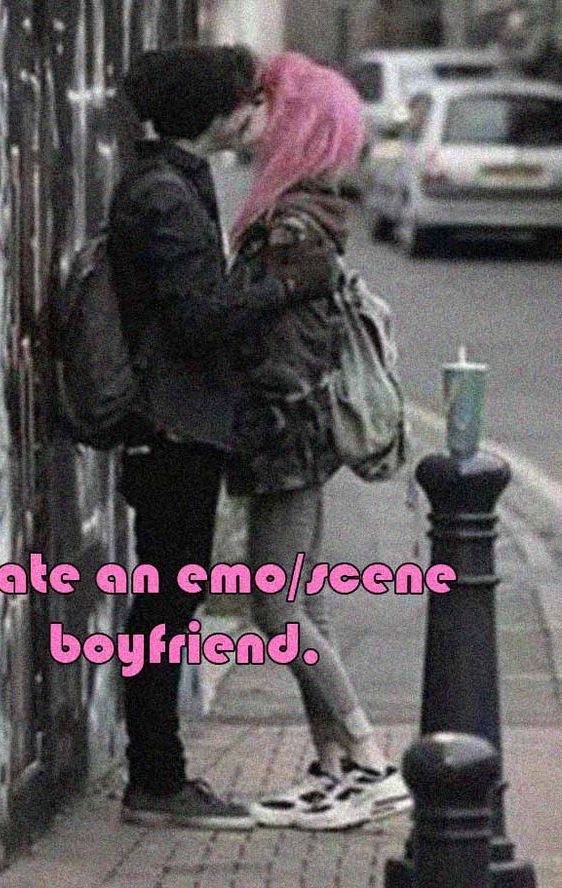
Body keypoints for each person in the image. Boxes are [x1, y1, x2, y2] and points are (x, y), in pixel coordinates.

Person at [107, 45, 327, 830]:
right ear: (212, 113)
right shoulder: (163, 195)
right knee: (165, 603)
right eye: (245, 101)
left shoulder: (174, 180)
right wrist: (284, 287)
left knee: (169, 597)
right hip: (171, 427)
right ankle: (156, 779)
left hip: (183, 422)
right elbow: (199, 316)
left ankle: (157, 773)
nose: (255, 113)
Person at [226, 52, 412, 831]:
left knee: (277, 604)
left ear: (294, 121)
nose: (253, 119)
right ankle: (331, 765)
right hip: (303, 438)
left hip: (286, 441)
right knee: (304, 602)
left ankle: (370, 761)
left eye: (266, 105)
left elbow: (287, 353)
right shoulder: (313, 211)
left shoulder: (290, 225)